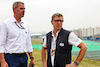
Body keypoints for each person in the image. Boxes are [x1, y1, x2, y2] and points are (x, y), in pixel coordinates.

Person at [0, 1, 35, 67]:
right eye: (21, 8)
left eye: (24, 9)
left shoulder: (26, 25)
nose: (23, 11)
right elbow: (1, 44)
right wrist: (2, 61)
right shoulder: (6, 24)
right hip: (11, 58)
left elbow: (28, 43)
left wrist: (32, 58)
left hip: (24, 57)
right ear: (14, 9)